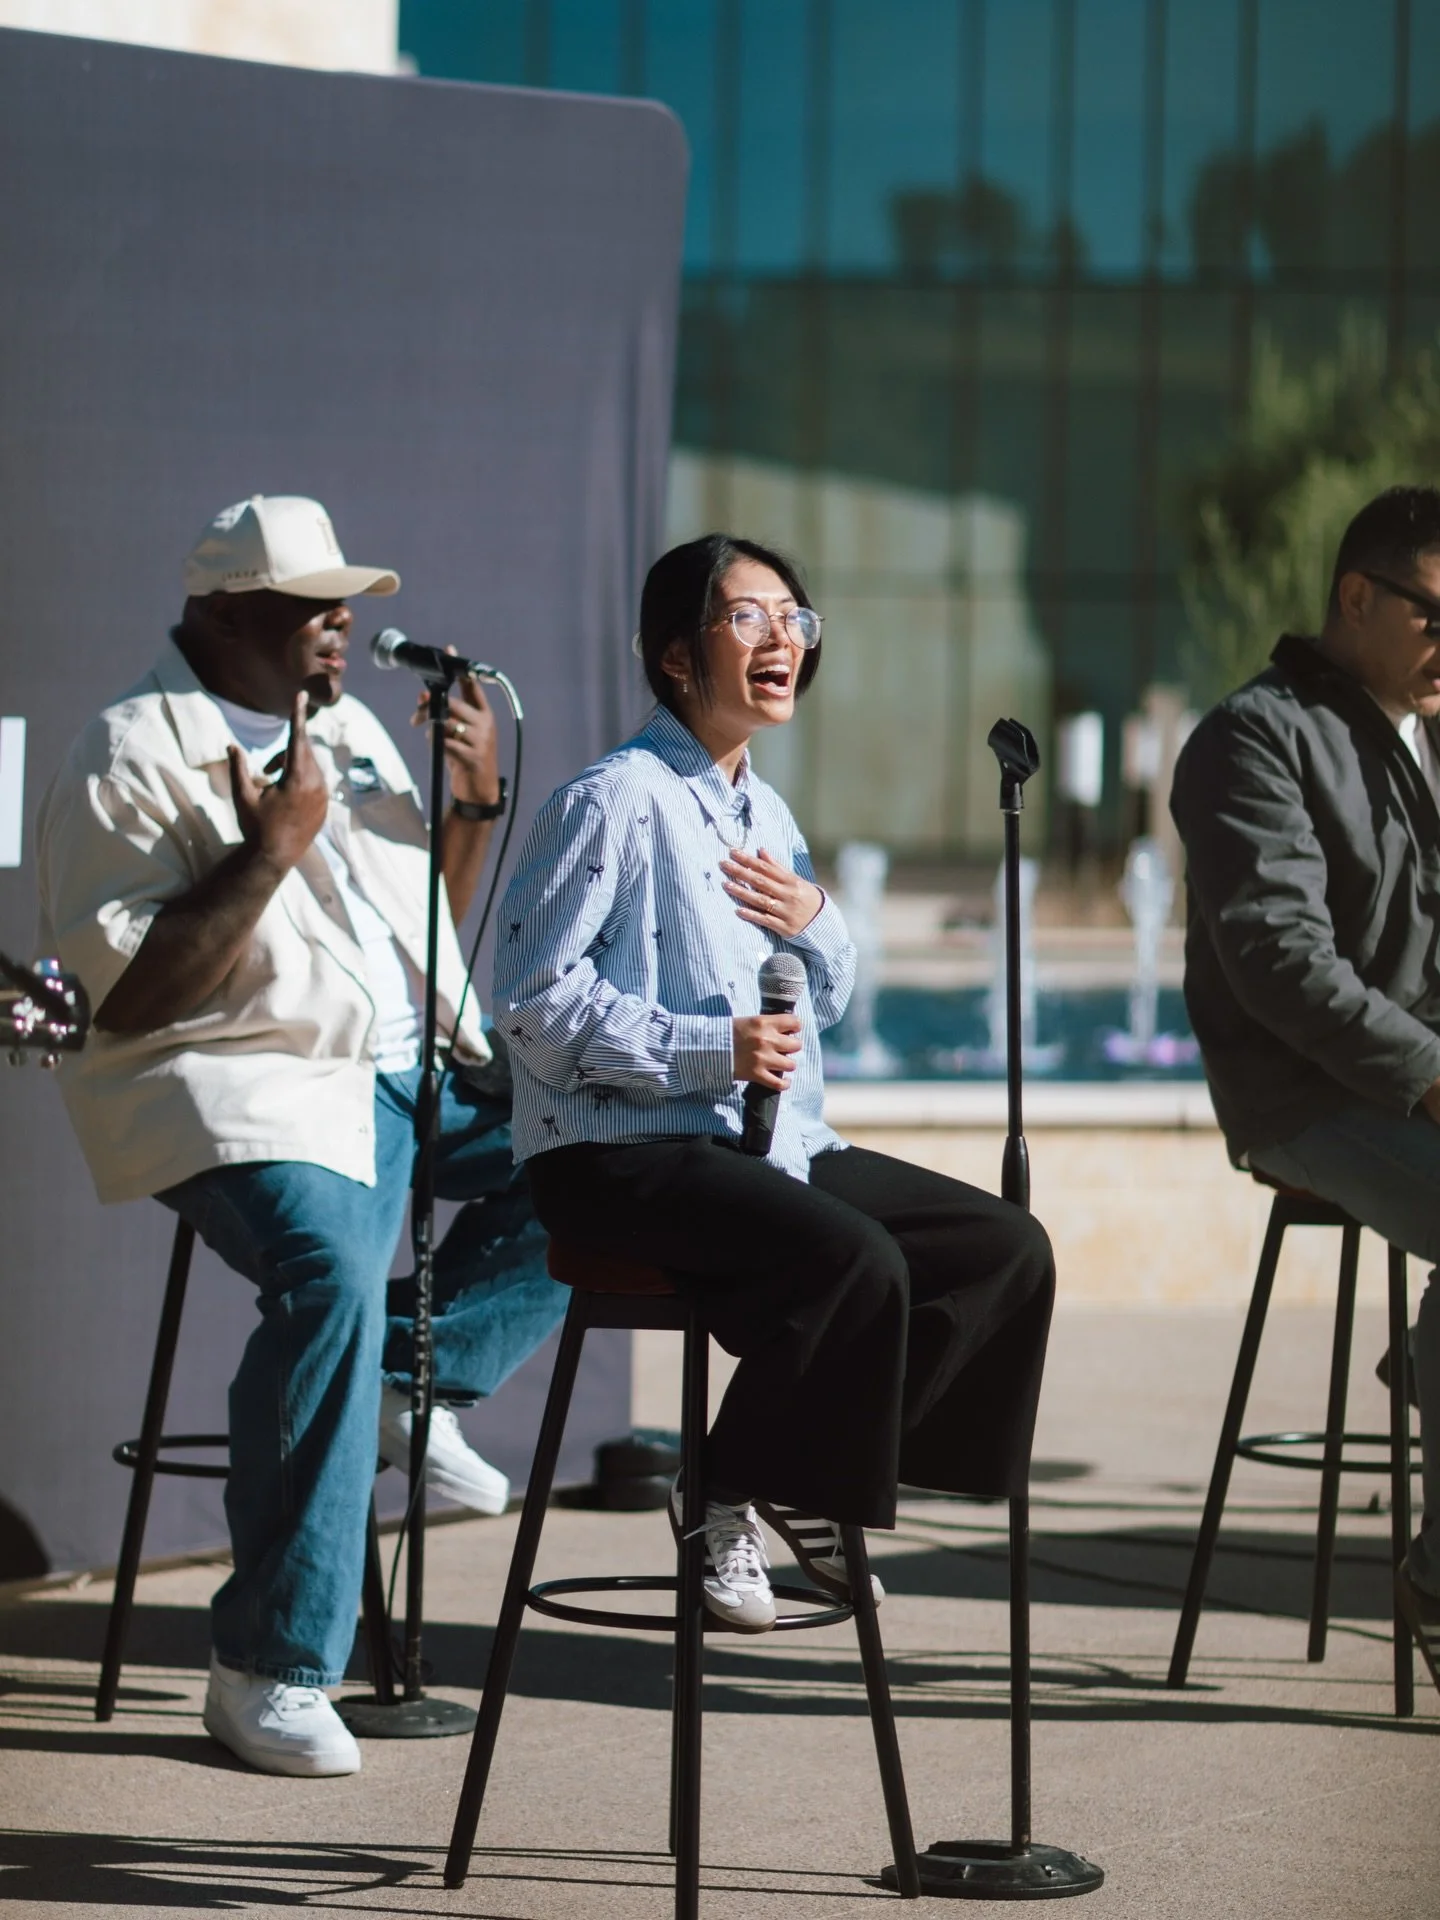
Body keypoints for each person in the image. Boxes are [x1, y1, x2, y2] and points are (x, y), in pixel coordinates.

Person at [36, 495, 567, 1775]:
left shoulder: (351, 727)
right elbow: (127, 994)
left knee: (610, 1156)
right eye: (311, 601)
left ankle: (404, 1382)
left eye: (347, 599)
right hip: (242, 1076)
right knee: (329, 1275)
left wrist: (474, 810)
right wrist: (266, 853)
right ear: (224, 612)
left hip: (409, 1070)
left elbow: (420, 925)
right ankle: (266, 1668)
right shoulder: (125, 751)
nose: (342, 623)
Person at [492, 532, 1055, 1632]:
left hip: (764, 1145)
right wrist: (718, 1050)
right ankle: (721, 1492)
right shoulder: (615, 800)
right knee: (851, 1257)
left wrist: (819, 923)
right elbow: (530, 1007)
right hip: (622, 1154)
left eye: (795, 618)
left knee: (1003, 1252)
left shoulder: (768, 814)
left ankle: (811, 1473)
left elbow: (817, 997)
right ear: (673, 657)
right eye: (747, 615)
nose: (782, 637)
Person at [1172, 484, 1440, 1699]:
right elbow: (1281, 965)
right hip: (1307, 1098)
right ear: (1356, 597)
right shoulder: (1252, 738)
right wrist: (1432, 1078)